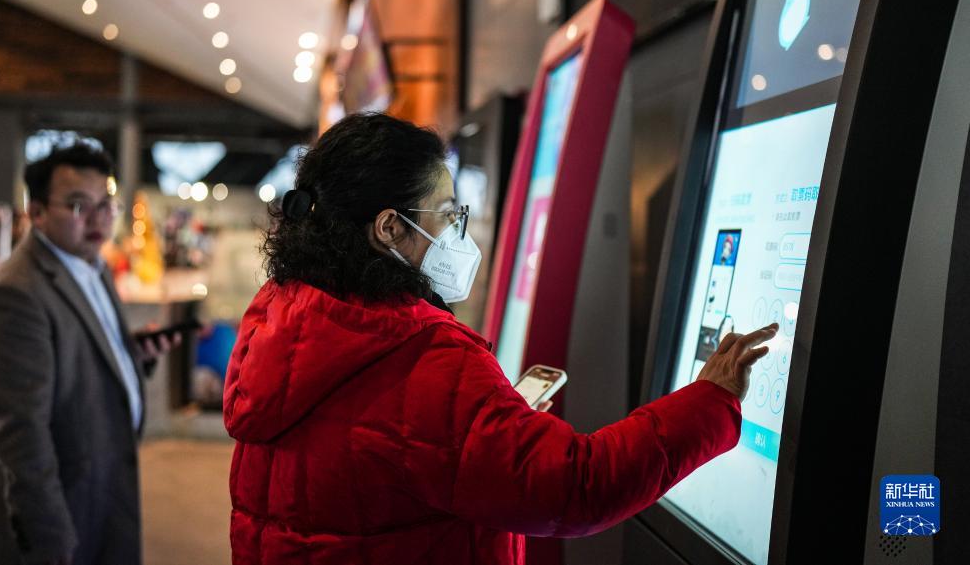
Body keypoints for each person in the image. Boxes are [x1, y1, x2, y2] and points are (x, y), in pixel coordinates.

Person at [224, 113, 777, 564]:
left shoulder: (283, 323)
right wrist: (710, 401)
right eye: (446, 215)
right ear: (389, 228)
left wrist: (486, 426)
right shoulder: (420, 358)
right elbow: (575, 488)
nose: (457, 232)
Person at [0, 143, 174, 565]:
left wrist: (130, 353)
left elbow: (79, 349)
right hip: (59, 503)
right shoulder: (16, 294)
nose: (98, 220)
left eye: (106, 205)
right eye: (79, 206)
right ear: (37, 211)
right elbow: (21, 432)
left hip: (101, 485)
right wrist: (49, 539)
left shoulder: (91, 265)